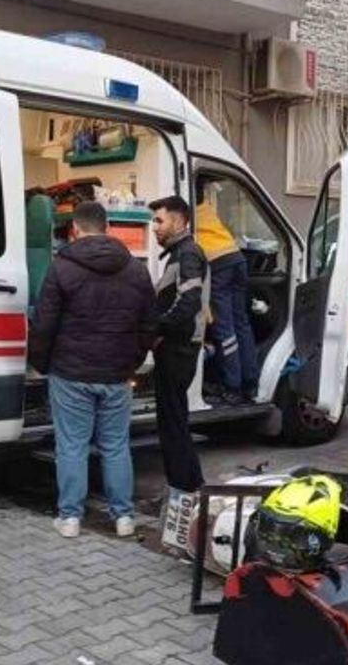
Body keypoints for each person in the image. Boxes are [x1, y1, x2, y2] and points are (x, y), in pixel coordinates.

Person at [29, 201, 157, 539]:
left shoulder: (61, 268)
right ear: (107, 227)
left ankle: (70, 517)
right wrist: (132, 360)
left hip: (70, 373)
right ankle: (124, 517)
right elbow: (149, 323)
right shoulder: (135, 269)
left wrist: (42, 363)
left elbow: (44, 323)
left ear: (74, 229)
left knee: (72, 445)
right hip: (116, 373)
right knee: (116, 445)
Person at [147, 195, 207, 494]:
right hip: (176, 346)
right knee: (175, 421)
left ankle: (182, 489)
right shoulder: (179, 253)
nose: (154, 227)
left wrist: (158, 328)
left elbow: (188, 301)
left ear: (179, 221)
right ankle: (190, 485)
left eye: (159, 220)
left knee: (172, 423)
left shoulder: (188, 253)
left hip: (178, 348)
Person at [195, 176, 259, 405]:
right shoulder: (204, 207)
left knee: (224, 329)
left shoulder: (186, 211)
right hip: (236, 258)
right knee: (241, 323)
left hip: (217, 265)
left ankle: (232, 386)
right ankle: (250, 381)